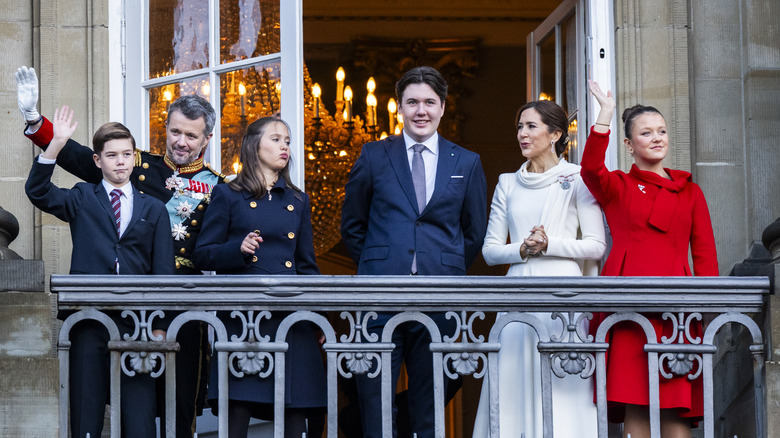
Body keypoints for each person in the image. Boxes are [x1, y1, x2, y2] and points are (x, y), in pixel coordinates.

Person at [16, 66, 219, 437]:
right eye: (175, 131)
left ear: (206, 138)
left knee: (179, 402)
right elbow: (76, 155)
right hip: (121, 297)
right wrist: (36, 122)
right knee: (95, 402)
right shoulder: (136, 165)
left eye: (191, 135)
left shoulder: (218, 187)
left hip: (181, 300)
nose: (181, 141)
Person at [340, 66, 488, 437]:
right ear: (399, 107)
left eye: (429, 102)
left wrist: (445, 264)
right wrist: (379, 264)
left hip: (440, 294)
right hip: (379, 293)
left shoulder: (466, 161)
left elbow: (474, 230)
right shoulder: (374, 155)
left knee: (430, 400)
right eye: (412, 102)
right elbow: (353, 224)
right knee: (375, 400)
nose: (421, 110)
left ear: (442, 106)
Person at [25, 107, 175, 437]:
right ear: (98, 161)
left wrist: (161, 325)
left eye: (126, 154)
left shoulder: (154, 208)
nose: (120, 161)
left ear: (134, 158)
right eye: (111, 155)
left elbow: (164, 271)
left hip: (138, 323)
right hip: (88, 320)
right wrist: (55, 143)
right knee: (85, 415)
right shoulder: (82, 198)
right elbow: (38, 192)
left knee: (139, 419)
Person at [582, 81, 719, 438]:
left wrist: (710, 312)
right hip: (627, 306)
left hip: (678, 310)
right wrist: (605, 116)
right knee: (636, 404)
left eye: (661, 131)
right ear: (629, 145)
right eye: (646, 133)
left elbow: (705, 255)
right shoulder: (617, 186)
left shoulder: (691, 191)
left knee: (676, 407)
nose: (657, 137)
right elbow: (590, 169)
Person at [471, 100, 606, 438]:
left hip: (564, 295)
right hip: (516, 294)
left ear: (556, 133)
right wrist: (522, 249)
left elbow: (596, 245)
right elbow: (489, 251)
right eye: (520, 127)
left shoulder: (577, 178)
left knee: (565, 391)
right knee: (513, 387)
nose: (522, 134)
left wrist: (551, 245)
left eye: (531, 126)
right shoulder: (507, 182)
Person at [192, 117, 325, 438]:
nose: (285, 147)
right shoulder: (227, 194)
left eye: (288, 141)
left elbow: (306, 266)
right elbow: (203, 253)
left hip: (292, 320)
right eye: (277, 139)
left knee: (295, 416)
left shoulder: (297, 200)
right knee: (237, 412)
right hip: (243, 320)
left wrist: (318, 318)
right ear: (254, 145)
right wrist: (237, 249)